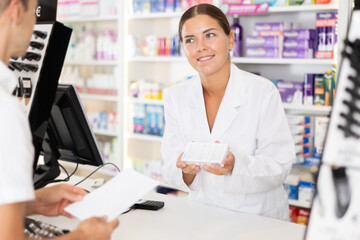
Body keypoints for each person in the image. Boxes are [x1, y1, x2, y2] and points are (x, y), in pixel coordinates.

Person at [161, 3, 295, 221]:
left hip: (257, 219)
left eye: (210, 35)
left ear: (231, 39)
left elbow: (279, 164)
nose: (200, 47)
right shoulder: (176, 96)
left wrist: (236, 166)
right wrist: (185, 170)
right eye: (190, 40)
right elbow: (168, 164)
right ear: (184, 48)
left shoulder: (262, 91)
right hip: (202, 216)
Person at [0, 0, 119, 239]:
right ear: (15, 11)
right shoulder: (6, 113)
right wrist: (84, 237)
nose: (35, 23)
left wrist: (30, 204)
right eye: (33, 11)